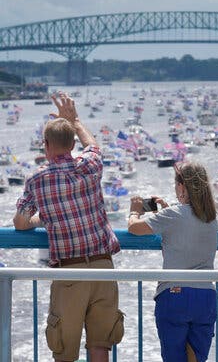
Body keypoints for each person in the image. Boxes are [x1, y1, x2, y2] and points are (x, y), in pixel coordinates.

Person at [13, 92, 123, 362]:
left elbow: (21, 222)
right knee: (100, 345)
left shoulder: (37, 180)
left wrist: (44, 217)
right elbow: (94, 146)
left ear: (46, 146)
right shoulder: (90, 165)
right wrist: (75, 121)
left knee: (64, 350)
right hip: (103, 268)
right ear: (73, 144)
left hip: (69, 272)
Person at [127, 161, 218, 362]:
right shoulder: (211, 218)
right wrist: (166, 209)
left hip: (174, 295)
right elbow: (185, 226)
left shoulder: (174, 215)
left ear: (182, 186)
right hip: (205, 297)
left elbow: (134, 228)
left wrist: (135, 210)